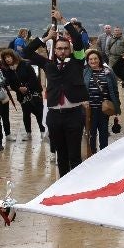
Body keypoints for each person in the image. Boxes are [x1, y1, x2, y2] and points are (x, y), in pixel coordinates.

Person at [25, 12, 89, 176]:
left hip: (74, 113)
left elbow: (79, 41)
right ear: (55, 50)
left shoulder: (77, 60)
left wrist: (63, 21)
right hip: (55, 115)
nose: (62, 51)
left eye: (65, 48)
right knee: (61, 155)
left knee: (74, 154)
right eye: (59, 48)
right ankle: (62, 183)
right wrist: (46, 38)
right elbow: (27, 52)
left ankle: (75, 185)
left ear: (70, 49)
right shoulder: (48, 64)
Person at [1, 49, 44, 138]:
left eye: (8, 57)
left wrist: (27, 87)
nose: (7, 59)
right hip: (22, 95)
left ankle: (42, 131)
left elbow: (33, 78)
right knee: (26, 113)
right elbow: (11, 84)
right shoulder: (8, 70)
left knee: (39, 113)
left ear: (13, 56)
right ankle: (28, 133)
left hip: (34, 92)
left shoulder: (25, 64)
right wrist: (18, 88)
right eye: (5, 58)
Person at [83, 50, 120, 154]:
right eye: (90, 59)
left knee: (103, 132)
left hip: (104, 108)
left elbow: (114, 89)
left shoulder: (108, 71)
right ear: (88, 61)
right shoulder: (85, 72)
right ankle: (92, 153)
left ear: (99, 59)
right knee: (91, 133)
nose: (93, 61)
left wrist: (117, 106)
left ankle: (103, 154)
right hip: (90, 109)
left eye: (95, 59)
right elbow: (81, 89)